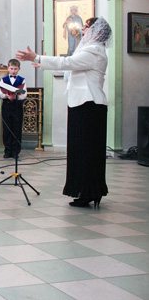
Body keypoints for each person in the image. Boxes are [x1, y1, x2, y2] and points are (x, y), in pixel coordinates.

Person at [17, 17, 111, 208]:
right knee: (82, 151)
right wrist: (43, 63)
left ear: (97, 32)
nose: (83, 29)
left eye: (87, 27)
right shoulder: (90, 50)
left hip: (88, 105)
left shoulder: (94, 52)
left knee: (87, 152)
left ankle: (89, 192)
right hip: (83, 105)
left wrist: (37, 58)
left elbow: (67, 62)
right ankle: (89, 191)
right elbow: (70, 66)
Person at [0, 59, 27, 159]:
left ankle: (15, 152)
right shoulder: (4, 79)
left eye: (15, 69)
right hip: (7, 105)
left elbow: (24, 94)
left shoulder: (22, 80)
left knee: (16, 128)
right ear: (8, 68)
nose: (13, 71)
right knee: (7, 128)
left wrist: (17, 97)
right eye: (11, 68)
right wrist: (6, 96)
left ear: (18, 69)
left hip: (17, 106)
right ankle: (7, 151)